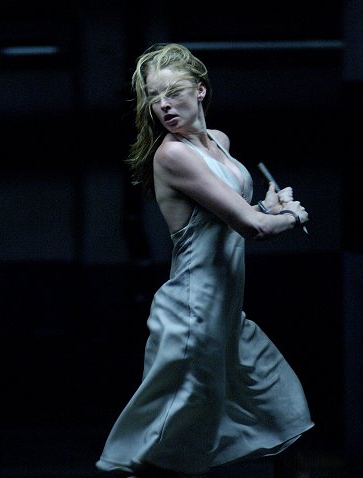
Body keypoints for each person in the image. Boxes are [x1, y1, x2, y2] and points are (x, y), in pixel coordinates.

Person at [96, 43, 313, 478]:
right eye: (154, 97)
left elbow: (235, 219)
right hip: (193, 317)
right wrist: (292, 216)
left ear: (199, 90)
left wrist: (267, 207)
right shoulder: (173, 155)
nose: (163, 105)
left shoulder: (219, 142)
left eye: (173, 92)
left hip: (227, 316)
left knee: (285, 416)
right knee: (161, 451)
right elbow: (252, 229)